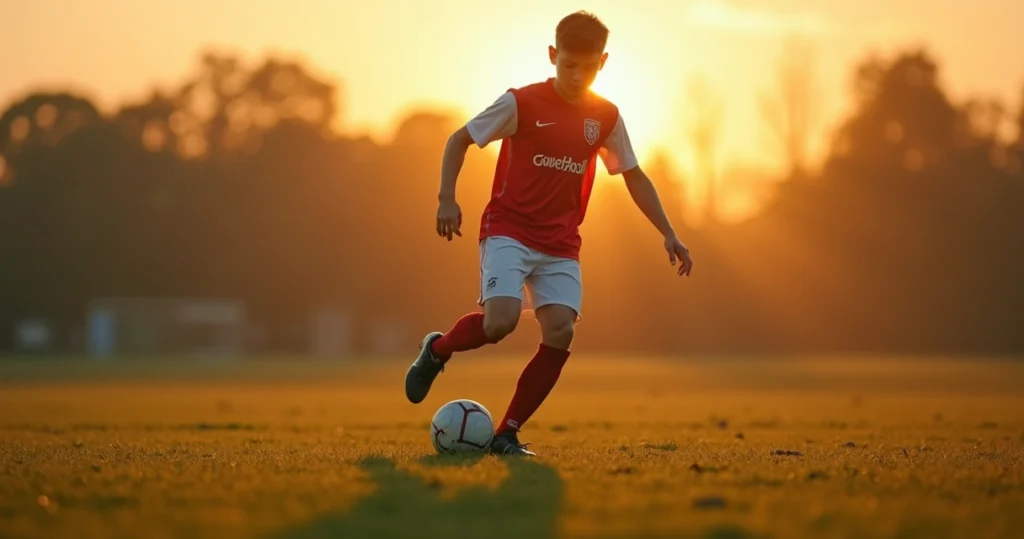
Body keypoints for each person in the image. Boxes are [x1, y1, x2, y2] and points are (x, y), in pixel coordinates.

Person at [404, 10, 693, 456]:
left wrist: (668, 232)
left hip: (560, 243)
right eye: (569, 64)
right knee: (499, 323)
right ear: (552, 56)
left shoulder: (606, 117)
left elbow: (633, 175)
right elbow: (458, 139)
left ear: (604, 62)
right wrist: (446, 197)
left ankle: (507, 433)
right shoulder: (521, 103)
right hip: (508, 229)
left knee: (560, 331)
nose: (577, 75)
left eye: (589, 66)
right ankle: (438, 349)